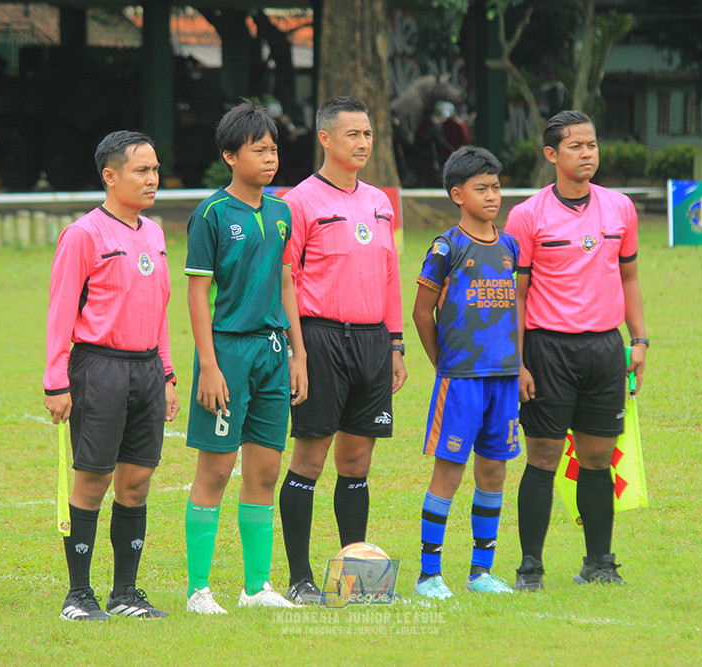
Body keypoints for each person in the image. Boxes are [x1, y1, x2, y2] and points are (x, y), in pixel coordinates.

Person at [504, 110, 648, 590]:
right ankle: (530, 568)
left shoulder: (620, 208)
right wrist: (519, 360)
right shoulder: (527, 216)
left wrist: (639, 340)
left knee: (597, 457)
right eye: (575, 147)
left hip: (606, 349)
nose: (587, 154)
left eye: (592, 145)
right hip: (548, 350)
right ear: (551, 155)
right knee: (543, 455)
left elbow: (628, 277)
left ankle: (599, 563)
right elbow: (517, 295)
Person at [43, 130, 179, 621]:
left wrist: (166, 373)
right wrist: (55, 381)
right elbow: (60, 313)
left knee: (137, 481)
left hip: (146, 369)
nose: (152, 180)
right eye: (142, 170)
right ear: (110, 176)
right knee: (93, 479)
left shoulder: (155, 232)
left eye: (156, 170)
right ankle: (78, 595)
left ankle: (126, 594)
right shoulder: (83, 235)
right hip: (98, 367)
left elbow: (160, 308)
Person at [277, 96, 407, 604]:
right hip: (321, 338)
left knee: (357, 462)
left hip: (374, 341)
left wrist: (395, 343)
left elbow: (391, 276)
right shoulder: (298, 202)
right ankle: (300, 577)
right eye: (353, 134)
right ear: (325, 139)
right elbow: (285, 278)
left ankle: (358, 577)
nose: (363, 143)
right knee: (310, 457)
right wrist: (298, 351)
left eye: (369, 134)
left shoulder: (380, 201)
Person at [183, 101, 308, 614]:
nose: (270, 158)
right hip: (228, 351)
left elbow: (285, 281)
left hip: (274, 352)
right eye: (259, 150)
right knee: (214, 470)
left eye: (274, 149)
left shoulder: (282, 213)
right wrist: (208, 366)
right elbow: (196, 294)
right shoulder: (211, 214)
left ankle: (256, 587)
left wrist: (298, 352)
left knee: (265, 471)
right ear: (231, 156)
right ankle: (198, 590)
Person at [411, 146, 520, 599]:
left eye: (496, 187)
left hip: (506, 379)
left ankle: (481, 571)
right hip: (461, 381)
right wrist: (445, 365)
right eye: (482, 189)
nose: (492, 196)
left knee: (493, 473)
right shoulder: (447, 246)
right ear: (458, 194)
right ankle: (429, 575)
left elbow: (521, 309)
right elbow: (421, 313)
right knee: (449, 473)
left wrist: (521, 365)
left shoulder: (511, 245)